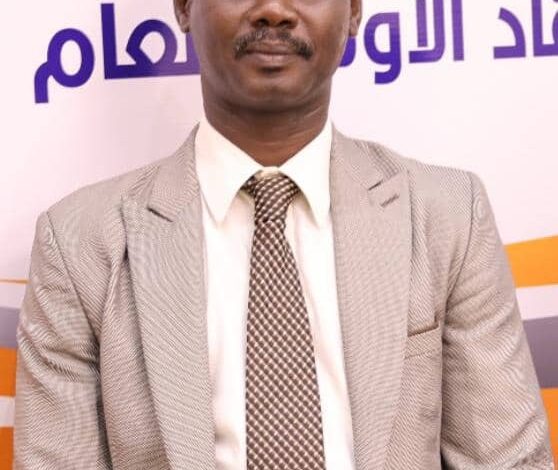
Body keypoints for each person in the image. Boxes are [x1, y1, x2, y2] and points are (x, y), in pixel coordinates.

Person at [13, 0, 554, 468]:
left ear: (354, 11)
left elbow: (507, 460)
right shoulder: (80, 245)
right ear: (183, 6)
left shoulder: (447, 216)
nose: (273, 10)